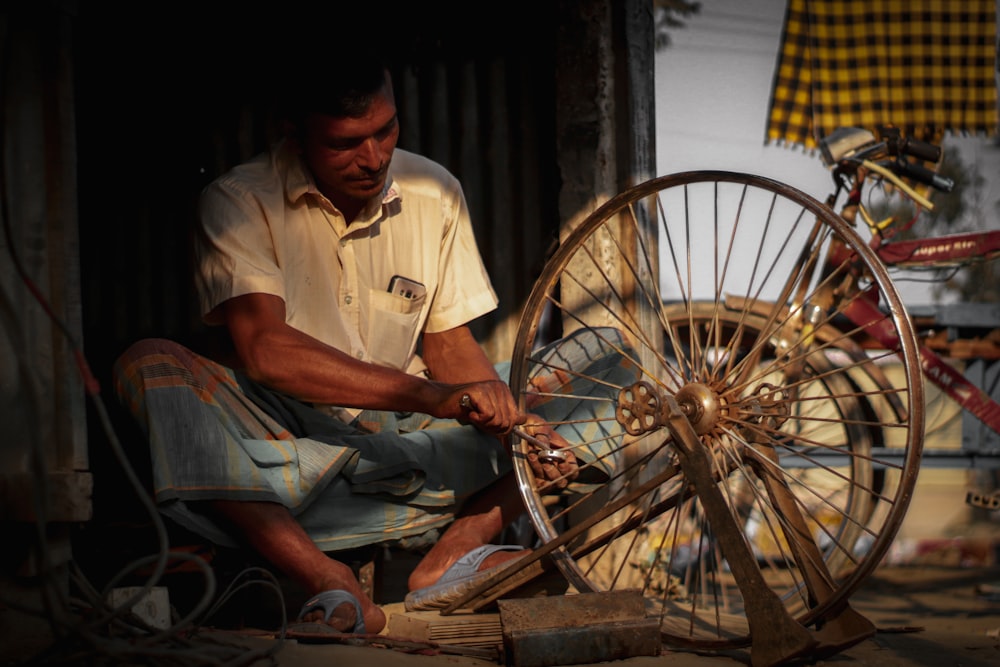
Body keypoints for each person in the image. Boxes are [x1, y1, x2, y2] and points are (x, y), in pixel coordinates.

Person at [112, 56, 586, 635]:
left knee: (606, 362)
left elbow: (448, 346)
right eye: (346, 142)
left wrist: (521, 425)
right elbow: (265, 349)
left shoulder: (434, 190)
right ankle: (326, 580)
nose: (374, 157)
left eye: (386, 130)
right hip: (286, 444)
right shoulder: (237, 200)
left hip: (411, 445)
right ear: (293, 131)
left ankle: (455, 554)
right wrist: (434, 396)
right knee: (149, 364)